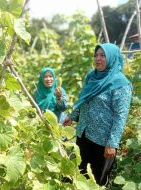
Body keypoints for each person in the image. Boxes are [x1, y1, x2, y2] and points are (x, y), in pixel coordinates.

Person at [63, 43, 132, 186]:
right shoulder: (91, 77)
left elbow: (121, 115)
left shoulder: (121, 84)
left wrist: (112, 143)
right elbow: (84, 99)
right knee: (77, 174)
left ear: (112, 58)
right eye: (96, 55)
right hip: (84, 134)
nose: (98, 59)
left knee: (96, 181)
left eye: (103, 55)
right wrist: (72, 116)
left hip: (103, 141)